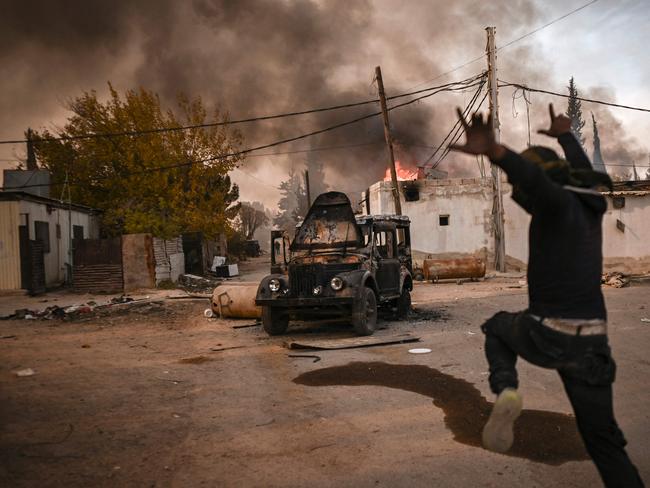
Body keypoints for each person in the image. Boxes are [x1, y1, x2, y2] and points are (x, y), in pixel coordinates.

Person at [450, 104, 644, 488]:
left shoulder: (555, 205)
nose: (521, 195)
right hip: (593, 345)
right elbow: (577, 171)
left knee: (497, 327)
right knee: (604, 444)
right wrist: (566, 135)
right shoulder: (588, 201)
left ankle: (506, 390)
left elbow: (535, 181)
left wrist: (496, 152)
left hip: (547, 333)